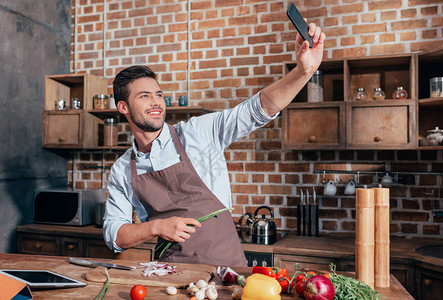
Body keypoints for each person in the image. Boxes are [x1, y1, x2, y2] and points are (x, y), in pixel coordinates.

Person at [103, 23, 325, 266]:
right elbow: (114, 235)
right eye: (144, 96)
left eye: (158, 94)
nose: (156, 102)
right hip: (169, 270)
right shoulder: (123, 169)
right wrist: (156, 227)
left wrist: (302, 72)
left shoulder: (198, 133)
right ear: (123, 107)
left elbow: (258, 109)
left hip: (225, 266)